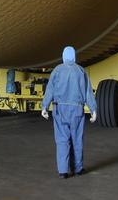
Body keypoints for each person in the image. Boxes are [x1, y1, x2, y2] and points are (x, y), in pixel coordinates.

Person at [40, 46, 98, 178]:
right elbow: (87, 92)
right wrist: (93, 109)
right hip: (77, 110)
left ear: (63, 56)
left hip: (60, 109)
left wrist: (45, 107)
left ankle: (63, 171)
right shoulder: (81, 71)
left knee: (62, 140)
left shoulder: (57, 70)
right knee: (77, 139)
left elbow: (50, 90)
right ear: (74, 56)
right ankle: (78, 169)